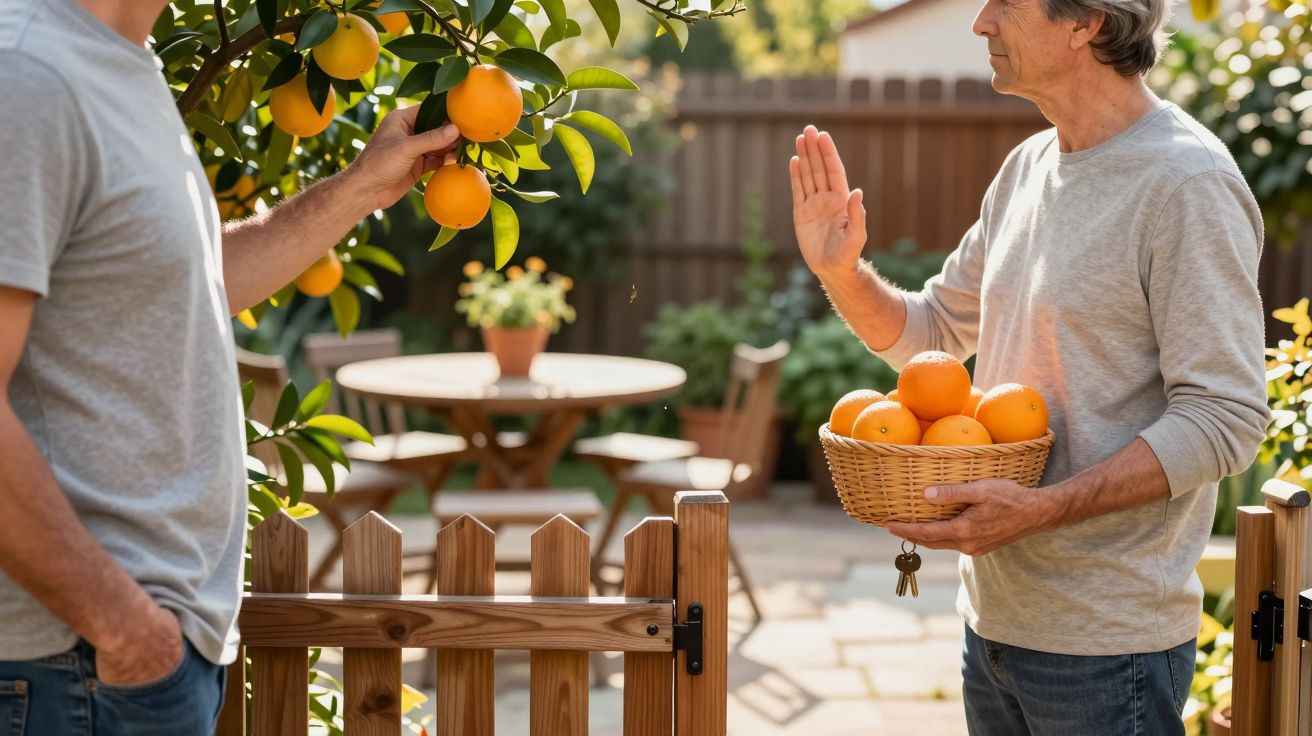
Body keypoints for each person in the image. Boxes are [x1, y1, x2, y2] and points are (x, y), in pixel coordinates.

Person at [790, 0, 1269, 731]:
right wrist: (841, 270)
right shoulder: (1026, 168)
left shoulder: (1186, 183)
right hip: (995, 627)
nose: (981, 23)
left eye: (1005, 4)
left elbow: (1227, 417)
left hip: (1108, 648)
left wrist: (1044, 509)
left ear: (1089, 23)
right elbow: (933, 337)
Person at [0, 0, 460, 731]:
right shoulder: (26, 72)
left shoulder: (120, 67)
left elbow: (191, 280)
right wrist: (124, 629)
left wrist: (363, 188)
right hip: (71, 666)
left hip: (127, 664)